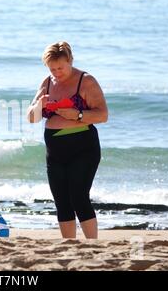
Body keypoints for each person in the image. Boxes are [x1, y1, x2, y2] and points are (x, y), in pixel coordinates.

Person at [27, 41, 108, 239]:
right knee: (61, 200)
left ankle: (92, 244)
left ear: (70, 60)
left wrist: (77, 115)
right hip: (54, 151)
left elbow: (103, 115)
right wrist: (38, 106)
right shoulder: (47, 83)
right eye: (52, 69)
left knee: (78, 197)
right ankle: (69, 246)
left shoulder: (86, 81)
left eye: (60, 68)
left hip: (83, 147)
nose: (56, 72)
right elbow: (32, 118)